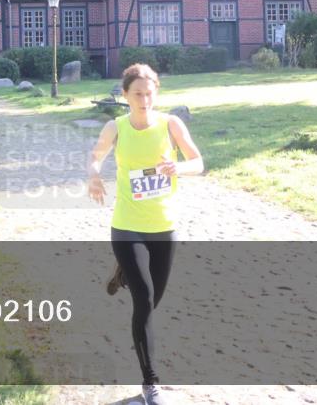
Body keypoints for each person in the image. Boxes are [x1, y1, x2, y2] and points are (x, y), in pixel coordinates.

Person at [87, 63, 204, 405]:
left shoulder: (171, 124)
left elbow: (198, 162)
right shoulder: (116, 127)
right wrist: (93, 175)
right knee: (144, 300)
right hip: (127, 225)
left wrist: (178, 167)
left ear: (157, 92)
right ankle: (150, 382)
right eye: (137, 93)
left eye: (149, 92)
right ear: (125, 95)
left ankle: (124, 272)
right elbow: (95, 157)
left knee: (153, 302)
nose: (144, 99)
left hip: (163, 226)